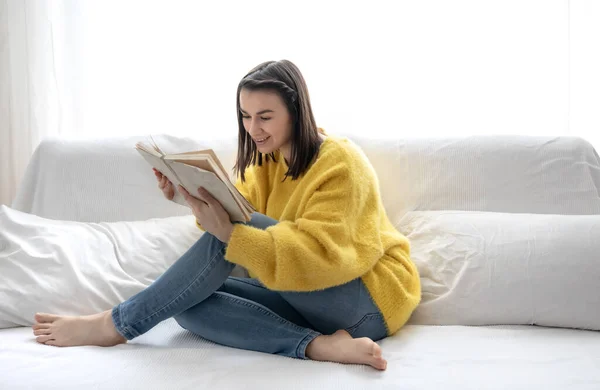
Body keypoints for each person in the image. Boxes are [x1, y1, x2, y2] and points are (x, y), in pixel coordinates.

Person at [31, 59, 421, 370]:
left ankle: (114, 325)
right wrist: (187, 197)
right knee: (187, 304)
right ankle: (319, 347)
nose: (254, 128)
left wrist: (234, 236)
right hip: (312, 306)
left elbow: (323, 259)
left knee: (234, 233)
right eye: (246, 117)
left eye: (265, 116)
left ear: (296, 112)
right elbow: (231, 217)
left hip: (367, 302)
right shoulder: (264, 162)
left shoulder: (340, 163)